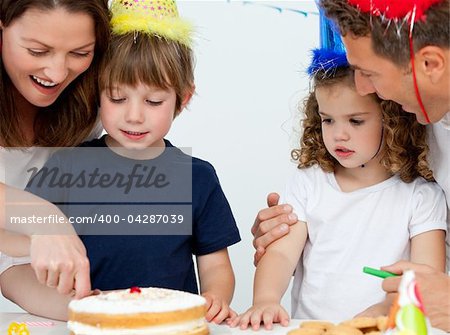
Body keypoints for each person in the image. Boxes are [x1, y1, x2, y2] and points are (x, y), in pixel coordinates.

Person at [6, 0, 241, 323]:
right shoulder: (67, 165)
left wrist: (215, 297)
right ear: (97, 93)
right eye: (117, 98)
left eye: (153, 101)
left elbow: (214, 263)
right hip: (94, 325)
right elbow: (16, 249)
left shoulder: (197, 177)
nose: (134, 116)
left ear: (183, 99)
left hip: (171, 327)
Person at [252, 0, 450, 330]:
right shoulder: (419, 109)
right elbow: (282, 253)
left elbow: (424, 282)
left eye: (368, 73)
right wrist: (266, 297)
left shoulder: (418, 192)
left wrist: (382, 311)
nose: (361, 87)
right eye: (328, 120)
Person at [0, 0, 110, 307]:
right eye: (37, 51)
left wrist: (100, 309)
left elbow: (12, 260)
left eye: (80, 53)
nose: (57, 72)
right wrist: (45, 219)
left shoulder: (96, 105)